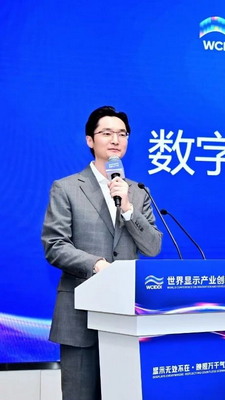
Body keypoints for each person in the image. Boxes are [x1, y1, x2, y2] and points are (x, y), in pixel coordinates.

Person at [41, 106, 163, 400]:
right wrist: (97, 265)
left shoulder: (138, 192)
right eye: (107, 133)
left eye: (122, 134)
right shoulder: (67, 188)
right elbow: (55, 245)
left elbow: (153, 247)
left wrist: (128, 209)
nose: (115, 140)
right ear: (90, 140)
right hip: (80, 315)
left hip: (126, 318)